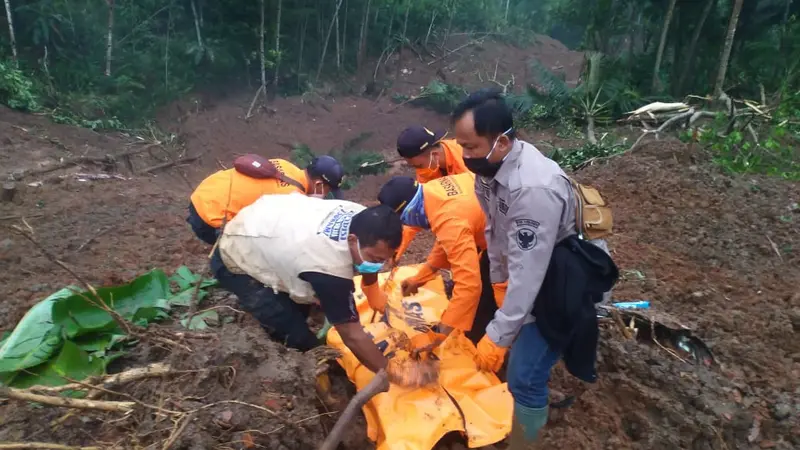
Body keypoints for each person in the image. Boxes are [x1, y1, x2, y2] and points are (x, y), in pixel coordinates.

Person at [452, 90, 617, 447]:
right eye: (461, 146)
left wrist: (500, 333)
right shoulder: (489, 170)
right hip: (537, 262)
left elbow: (531, 274)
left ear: (502, 140)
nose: (465, 156)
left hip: (566, 272)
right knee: (505, 321)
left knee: (523, 375)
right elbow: (494, 230)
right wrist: (497, 282)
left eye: (471, 146)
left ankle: (524, 442)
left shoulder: (532, 188)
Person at [211, 192, 415, 380]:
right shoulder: (328, 266)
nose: (379, 265)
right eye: (375, 259)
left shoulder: (364, 218)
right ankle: (312, 371)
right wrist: (392, 373)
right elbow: (351, 334)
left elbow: (366, 261)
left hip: (268, 220)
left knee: (307, 301)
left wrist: (372, 291)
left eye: (383, 260)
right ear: (352, 240)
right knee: (291, 327)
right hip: (239, 249)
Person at [376, 173, 499, 346]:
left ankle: (481, 349)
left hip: (512, 242)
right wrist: (421, 277)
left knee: (487, 303)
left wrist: (440, 335)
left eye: (404, 220)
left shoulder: (448, 218)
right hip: (499, 227)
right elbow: (448, 242)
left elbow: (469, 285)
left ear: (409, 210)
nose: (407, 224)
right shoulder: (434, 190)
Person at [187, 155, 345, 246]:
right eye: (328, 190)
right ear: (318, 184)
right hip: (208, 219)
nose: (327, 194)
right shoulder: (291, 200)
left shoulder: (285, 165)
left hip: (203, 194)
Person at [393, 125, 471, 261]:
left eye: (418, 166)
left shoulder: (468, 161)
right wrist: (397, 250)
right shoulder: (428, 169)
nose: (419, 172)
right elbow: (417, 210)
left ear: (434, 154)